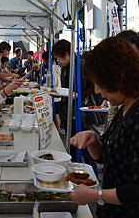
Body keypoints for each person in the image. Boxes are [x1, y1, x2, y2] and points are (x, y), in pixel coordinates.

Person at [69, 36, 139, 218]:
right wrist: (94, 140)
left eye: (99, 83)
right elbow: (107, 156)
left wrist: (96, 195)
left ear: (117, 78)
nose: (96, 90)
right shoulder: (128, 104)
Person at [51, 39, 98, 176]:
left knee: (85, 150)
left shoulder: (82, 66)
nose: (58, 61)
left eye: (58, 57)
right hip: (70, 111)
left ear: (66, 54)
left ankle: (92, 181)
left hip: (82, 112)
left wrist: (78, 95)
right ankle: (76, 177)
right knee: (73, 147)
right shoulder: (67, 67)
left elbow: (94, 87)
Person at [42, 51, 62, 134]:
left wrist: (45, 87)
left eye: (44, 60)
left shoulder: (53, 69)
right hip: (55, 94)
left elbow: (53, 84)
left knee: (56, 114)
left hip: (55, 95)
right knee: (56, 114)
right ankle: (58, 130)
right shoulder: (55, 68)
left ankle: (58, 131)